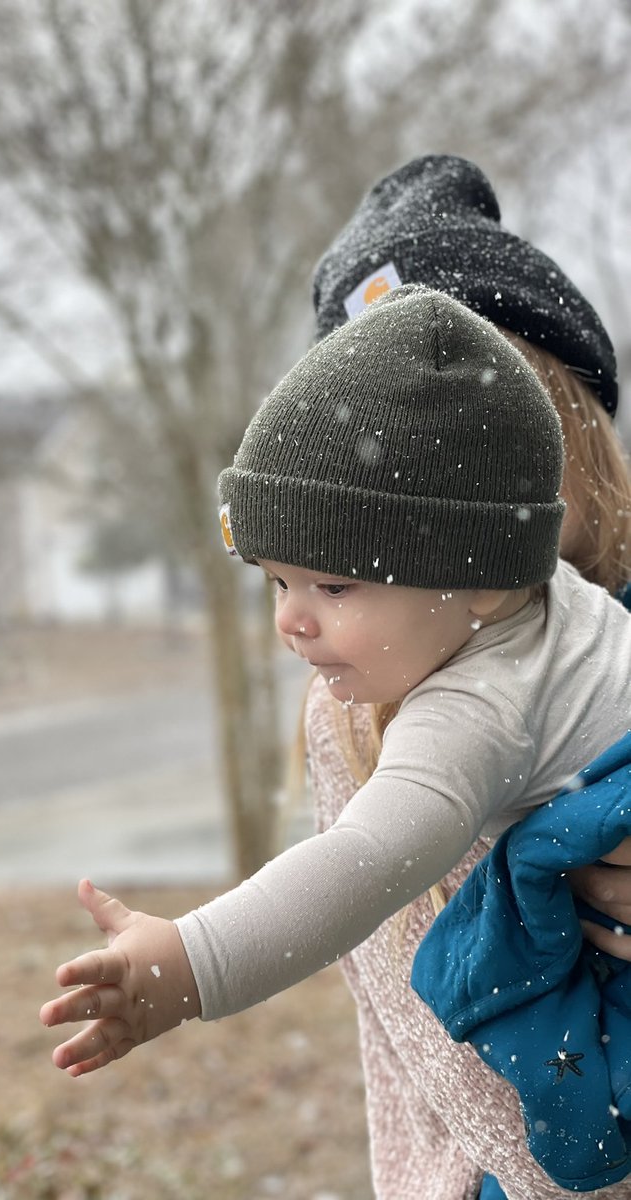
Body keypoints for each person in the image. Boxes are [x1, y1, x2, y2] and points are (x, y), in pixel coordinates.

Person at [40, 285, 631, 1195]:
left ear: (476, 579)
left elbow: (360, 863)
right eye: (278, 584)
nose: (292, 625)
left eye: (334, 588)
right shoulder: (562, 607)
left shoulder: (474, 708)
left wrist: (190, 964)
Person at [307, 154, 631, 1199]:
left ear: (569, 422)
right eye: (385, 469)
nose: (448, 500)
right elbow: (427, 1049)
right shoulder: (351, 715)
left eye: (485, 436)